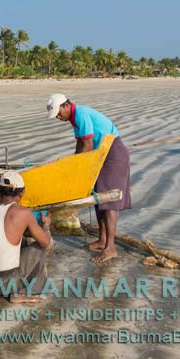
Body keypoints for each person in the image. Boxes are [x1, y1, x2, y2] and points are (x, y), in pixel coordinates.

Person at [46, 93, 132, 264]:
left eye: (58, 113)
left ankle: (111, 248)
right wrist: (73, 163)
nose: (57, 117)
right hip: (101, 155)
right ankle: (102, 239)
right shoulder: (74, 119)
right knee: (98, 198)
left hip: (112, 154)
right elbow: (80, 144)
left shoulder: (81, 114)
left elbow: (88, 145)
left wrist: (78, 168)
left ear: (65, 105)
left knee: (108, 199)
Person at [0, 170, 53, 298]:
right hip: (5, 283)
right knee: (42, 245)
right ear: (21, 192)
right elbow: (45, 242)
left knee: (18, 240)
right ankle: (26, 293)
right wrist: (46, 225)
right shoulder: (24, 213)